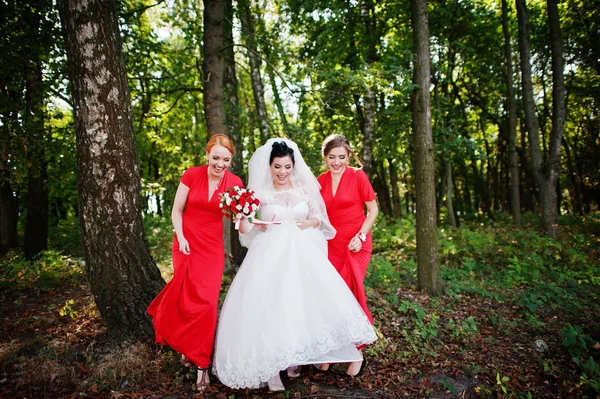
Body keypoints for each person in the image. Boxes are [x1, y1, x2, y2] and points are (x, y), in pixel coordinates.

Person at [213, 139, 376, 391]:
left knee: (300, 303)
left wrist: (309, 224)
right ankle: (272, 369)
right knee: (272, 304)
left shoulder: (303, 188)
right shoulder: (260, 194)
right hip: (271, 252)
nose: (282, 172)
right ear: (270, 167)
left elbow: (317, 219)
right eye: (277, 167)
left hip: (302, 251)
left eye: (287, 167)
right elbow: (246, 228)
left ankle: (294, 356)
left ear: (293, 166)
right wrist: (241, 216)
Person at [147, 134, 243, 392]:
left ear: (231, 160)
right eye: (216, 158)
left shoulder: (234, 182)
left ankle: (202, 363)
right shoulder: (191, 175)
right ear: (207, 155)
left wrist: (242, 215)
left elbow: (237, 216)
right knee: (187, 300)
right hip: (186, 244)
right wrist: (180, 237)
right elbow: (176, 210)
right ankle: (188, 348)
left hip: (211, 249)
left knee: (208, 304)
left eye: (226, 159)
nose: (220, 163)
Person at [317, 134, 379, 376]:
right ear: (325, 157)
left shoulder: (357, 176)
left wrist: (361, 236)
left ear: (348, 155)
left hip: (355, 243)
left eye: (342, 157)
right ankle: (332, 352)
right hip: (330, 245)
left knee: (351, 294)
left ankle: (357, 353)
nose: (337, 162)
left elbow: (372, 210)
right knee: (331, 297)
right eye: (332, 157)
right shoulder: (319, 181)